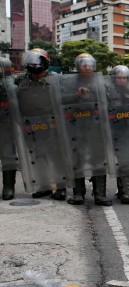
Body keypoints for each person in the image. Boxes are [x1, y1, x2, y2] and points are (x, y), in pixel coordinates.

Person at [16, 49, 68, 201]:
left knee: (56, 156)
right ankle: (43, 186)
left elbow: (65, 100)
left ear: (45, 63)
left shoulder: (57, 80)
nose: (34, 66)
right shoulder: (21, 81)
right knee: (38, 157)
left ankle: (61, 186)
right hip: (31, 125)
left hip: (52, 124)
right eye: (31, 62)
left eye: (37, 61)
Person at [63, 53, 112, 206]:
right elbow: (60, 100)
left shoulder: (101, 82)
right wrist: (76, 95)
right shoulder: (69, 82)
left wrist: (94, 92)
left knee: (98, 160)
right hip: (76, 126)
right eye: (84, 65)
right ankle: (78, 193)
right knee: (77, 159)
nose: (87, 67)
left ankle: (100, 194)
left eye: (90, 64)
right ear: (78, 66)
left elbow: (110, 98)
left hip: (97, 126)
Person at [106, 65, 129, 204]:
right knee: (125, 162)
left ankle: (122, 190)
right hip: (114, 132)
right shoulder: (107, 94)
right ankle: (126, 193)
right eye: (119, 78)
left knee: (126, 161)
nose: (121, 80)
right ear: (113, 79)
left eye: (124, 78)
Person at [0, 57, 18, 200]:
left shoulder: (10, 84)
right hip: (8, 125)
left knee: (8, 157)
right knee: (8, 157)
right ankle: (8, 188)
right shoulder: (12, 84)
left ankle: (8, 187)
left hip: (7, 125)